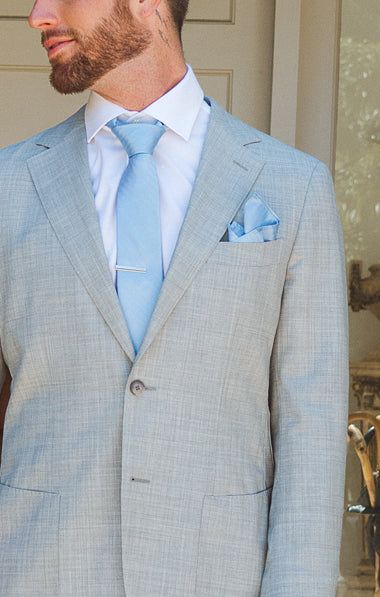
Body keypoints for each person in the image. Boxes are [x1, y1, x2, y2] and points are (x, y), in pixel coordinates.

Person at [0, 0, 349, 595]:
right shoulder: (9, 187)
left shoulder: (293, 186)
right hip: (40, 570)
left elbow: (310, 427)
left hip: (217, 574)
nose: (38, 14)